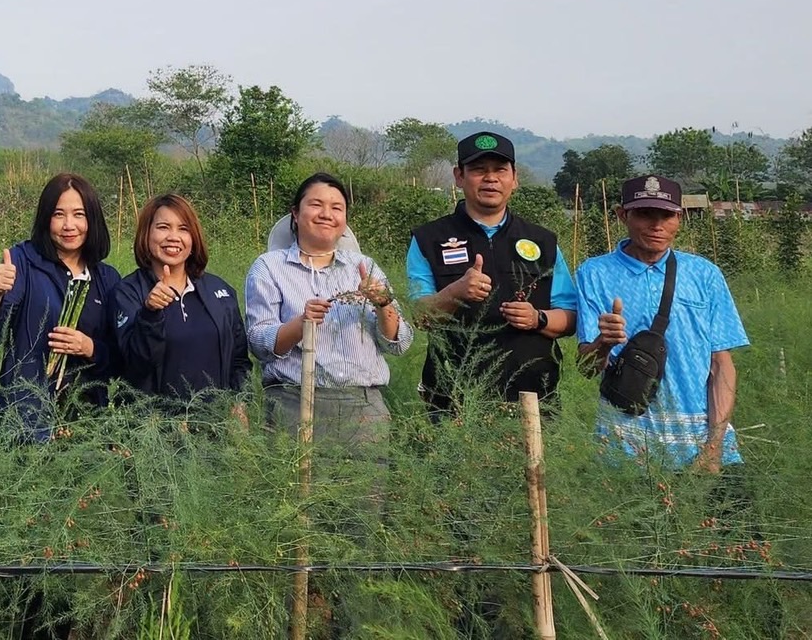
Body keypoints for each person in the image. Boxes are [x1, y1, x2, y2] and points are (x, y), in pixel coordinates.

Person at [576, 175, 748, 472]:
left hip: (698, 440)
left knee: (727, 517)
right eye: (644, 214)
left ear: (679, 218)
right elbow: (587, 368)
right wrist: (603, 343)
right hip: (625, 443)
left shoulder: (704, 275)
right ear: (622, 215)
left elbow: (720, 364)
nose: (657, 225)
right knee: (629, 517)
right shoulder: (595, 273)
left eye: (667, 215)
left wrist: (714, 448)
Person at [407, 132, 577, 412]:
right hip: (455, 402)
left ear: (514, 177)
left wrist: (539, 318)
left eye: (500, 170)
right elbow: (421, 315)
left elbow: (570, 317)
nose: (491, 178)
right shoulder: (429, 239)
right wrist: (455, 293)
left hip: (533, 400)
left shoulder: (543, 241)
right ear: (459, 177)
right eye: (478, 170)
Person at [245, 173, 411, 442]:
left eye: (337, 208)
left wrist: (383, 302)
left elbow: (399, 343)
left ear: (344, 220)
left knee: (365, 485)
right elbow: (259, 343)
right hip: (293, 402)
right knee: (291, 483)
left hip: (364, 410)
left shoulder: (364, 267)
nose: (326, 214)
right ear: (295, 214)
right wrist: (301, 325)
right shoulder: (269, 267)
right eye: (315, 205)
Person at [0, 173, 121, 442]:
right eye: (58, 214)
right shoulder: (23, 262)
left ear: (92, 219)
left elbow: (118, 358)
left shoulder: (106, 279)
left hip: (86, 421)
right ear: (45, 219)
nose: (69, 225)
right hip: (26, 419)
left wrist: (89, 348)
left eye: (79, 214)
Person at [115, 193, 251, 406]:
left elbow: (239, 360)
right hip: (153, 429)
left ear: (193, 238)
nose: (173, 237)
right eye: (163, 227)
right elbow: (134, 368)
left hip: (215, 425)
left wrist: (239, 403)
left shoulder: (220, 290)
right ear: (146, 234)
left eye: (183, 229)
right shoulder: (128, 292)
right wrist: (150, 313)